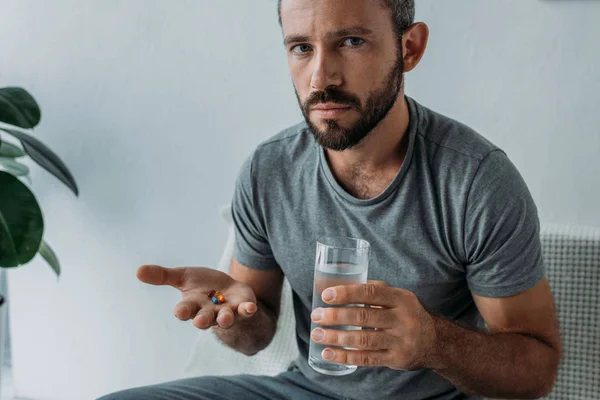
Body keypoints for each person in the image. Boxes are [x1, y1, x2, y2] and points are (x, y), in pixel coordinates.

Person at [100, 0, 561, 399]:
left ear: (410, 48)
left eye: (351, 42)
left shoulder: (476, 181)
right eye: (302, 47)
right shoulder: (268, 170)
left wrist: (432, 342)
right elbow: (253, 335)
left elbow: (537, 370)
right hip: (304, 391)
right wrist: (230, 312)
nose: (321, 76)